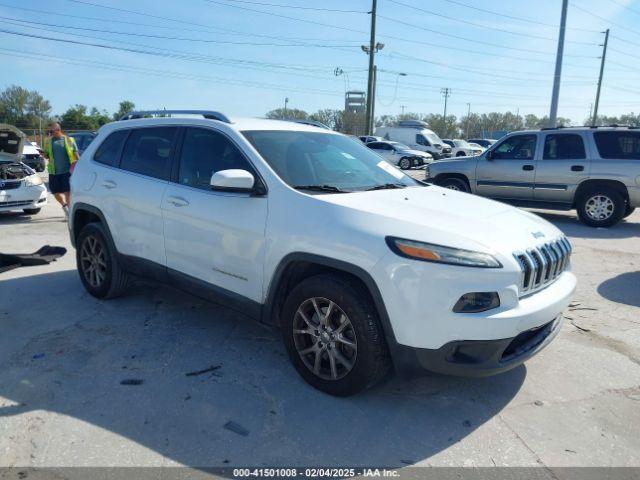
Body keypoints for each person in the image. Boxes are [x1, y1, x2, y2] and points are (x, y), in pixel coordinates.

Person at [42, 122, 79, 216]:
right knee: (55, 192)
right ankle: (64, 205)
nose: (49, 133)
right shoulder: (48, 141)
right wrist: (43, 154)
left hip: (67, 171)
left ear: (58, 130)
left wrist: (80, 165)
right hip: (53, 171)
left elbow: (76, 154)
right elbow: (47, 155)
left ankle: (70, 213)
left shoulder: (69, 140)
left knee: (67, 192)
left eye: (51, 131)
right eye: (49, 131)